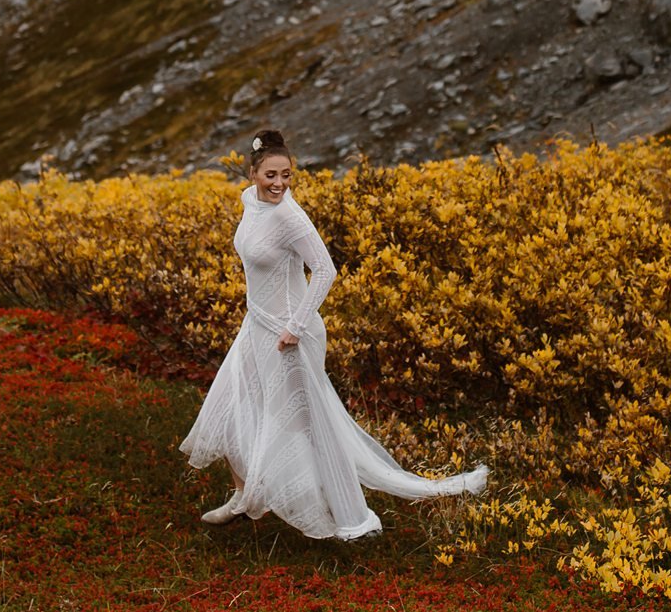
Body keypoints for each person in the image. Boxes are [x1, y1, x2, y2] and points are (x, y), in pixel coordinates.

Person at [181, 127, 487, 538]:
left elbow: (326, 270)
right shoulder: (250, 203)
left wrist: (295, 327)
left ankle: (352, 520)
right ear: (252, 174)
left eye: (286, 175)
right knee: (232, 406)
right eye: (271, 175)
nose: (279, 183)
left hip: (288, 334)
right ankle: (243, 494)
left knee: (304, 424)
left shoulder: (291, 217)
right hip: (255, 325)